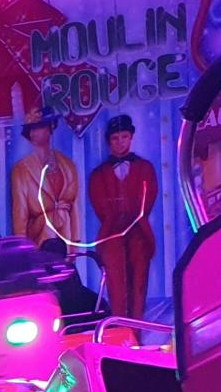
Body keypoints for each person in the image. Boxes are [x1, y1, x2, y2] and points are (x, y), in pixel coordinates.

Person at [86, 115, 158, 319]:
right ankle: (120, 328)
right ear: (109, 141)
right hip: (111, 234)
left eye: (124, 137)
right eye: (115, 138)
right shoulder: (98, 174)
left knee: (139, 282)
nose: (120, 142)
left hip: (139, 232)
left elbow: (148, 199)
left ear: (131, 137)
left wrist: (135, 216)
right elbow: (99, 204)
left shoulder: (145, 168)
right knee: (116, 285)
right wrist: (114, 219)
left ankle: (137, 329)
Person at [10, 109, 82, 246]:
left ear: (51, 127)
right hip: (39, 236)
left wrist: (76, 243)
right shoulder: (21, 169)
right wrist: (21, 247)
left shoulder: (68, 165)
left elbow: (75, 208)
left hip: (65, 234)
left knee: (62, 216)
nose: (33, 133)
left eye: (38, 127)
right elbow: (20, 213)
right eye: (31, 129)